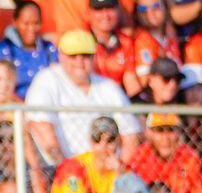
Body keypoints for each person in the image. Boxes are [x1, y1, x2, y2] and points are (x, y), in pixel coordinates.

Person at [25, 31, 139, 166]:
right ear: (61, 56)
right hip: (63, 169)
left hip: (107, 170)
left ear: (94, 57)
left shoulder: (108, 86)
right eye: (73, 56)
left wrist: (121, 170)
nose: (79, 61)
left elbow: (131, 135)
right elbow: (42, 130)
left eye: (85, 55)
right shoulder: (47, 80)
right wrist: (69, 171)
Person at [0, 0, 56, 97]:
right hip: (13, 107)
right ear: (15, 22)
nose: (31, 29)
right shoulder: (4, 49)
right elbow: (0, 87)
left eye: (36, 23)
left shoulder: (49, 49)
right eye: (26, 24)